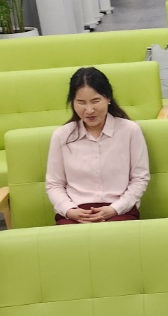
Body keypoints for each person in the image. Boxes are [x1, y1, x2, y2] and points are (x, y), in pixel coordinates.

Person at [46, 67, 149, 224]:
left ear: (108, 98)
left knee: (115, 234)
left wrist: (115, 209)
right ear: (72, 102)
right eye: (81, 102)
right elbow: (54, 184)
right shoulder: (61, 136)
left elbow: (140, 179)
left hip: (119, 210)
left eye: (95, 101)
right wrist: (70, 211)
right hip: (76, 212)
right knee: (68, 236)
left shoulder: (130, 130)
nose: (89, 110)